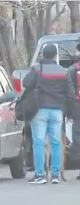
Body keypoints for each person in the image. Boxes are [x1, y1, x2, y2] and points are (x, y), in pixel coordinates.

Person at [22, 44, 75, 184]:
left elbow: (26, 83)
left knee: (39, 142)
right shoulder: (64, 72)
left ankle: (40, 175)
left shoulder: (37, 69)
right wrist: (70, 112)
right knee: (56, 142)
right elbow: (70, 93)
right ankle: (55, 175)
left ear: (42, 55)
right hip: (57, 111)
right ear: (55, 56)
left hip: (39, 110)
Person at [66, 43, 80, 180]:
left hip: (78, 109)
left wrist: (68, 112)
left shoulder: (72, 70)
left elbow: (69, 94)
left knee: (78, 139)